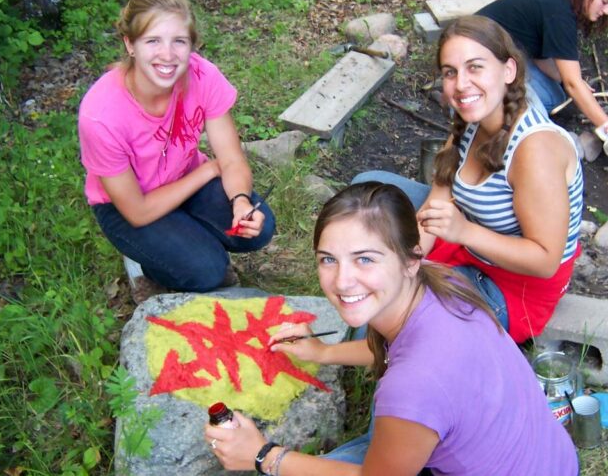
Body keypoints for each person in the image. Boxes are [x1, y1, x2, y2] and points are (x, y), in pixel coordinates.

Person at [205, 182, 579, 475]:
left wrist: (264, 455)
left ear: (411, 260)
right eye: (328, 260)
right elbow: (406, 353)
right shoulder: (445, 283)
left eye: (365, 259)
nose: (343, 281)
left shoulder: (411, 388)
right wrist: (322, 353)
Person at [352, 16, 584, 345]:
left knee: (404, 312)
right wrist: (409, 260)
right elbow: (436, 204)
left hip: (513, 285)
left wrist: (464, 232)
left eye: (475, 67)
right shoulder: (470, 121)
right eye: (450, 72)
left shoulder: (536, 148)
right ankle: (368, 337)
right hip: (466, 239)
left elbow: (545, 261)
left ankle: (377, 358)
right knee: (367, 189)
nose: (461, 84)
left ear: (508, 71)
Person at [78, 0, 275, 302]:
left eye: (179, 41)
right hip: (128, 206)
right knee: (207, 270)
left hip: (181, 175)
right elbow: (138, 212)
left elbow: (233, 159)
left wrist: (239, 201)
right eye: (152, 41)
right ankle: (156, 258)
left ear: (191, 45)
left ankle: (183, 237)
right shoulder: (101, 115)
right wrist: (208, 170)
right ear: (130, 44)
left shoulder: (202, 75)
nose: (168, 55)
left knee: (261, 226)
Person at [476, 0, 608, 157]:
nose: (606, 12)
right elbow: (572, 83)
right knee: (535, 123)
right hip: (480, 52)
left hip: (510, 51)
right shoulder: (560, 14)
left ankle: (498, 105)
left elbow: (544, 61)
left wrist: (575, 83)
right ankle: (489, 114)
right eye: (605, 2)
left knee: (555, 97)